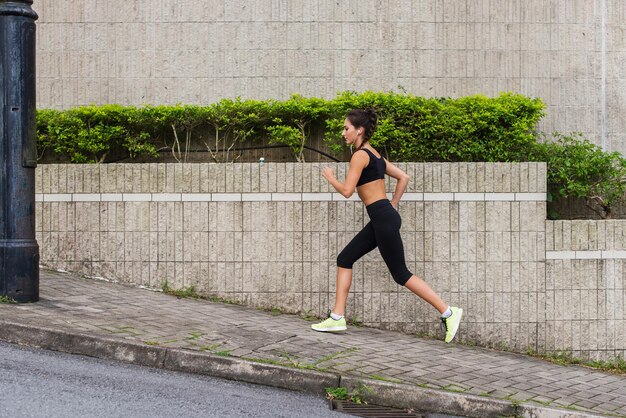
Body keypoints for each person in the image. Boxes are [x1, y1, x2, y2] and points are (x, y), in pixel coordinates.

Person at [311, 109, 463, 343]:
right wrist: (392, 204)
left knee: (401, 274)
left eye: (346, 128)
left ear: (359, 130)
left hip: (382, 218)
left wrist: (330, 177)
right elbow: (404, 177)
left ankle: (448, 312)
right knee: (345, 258)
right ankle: (337, 316)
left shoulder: (360, 156)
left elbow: (347, 191)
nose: (343, 133)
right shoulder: (375, 155)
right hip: (383, 216)